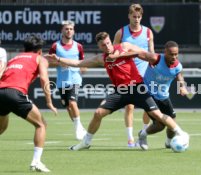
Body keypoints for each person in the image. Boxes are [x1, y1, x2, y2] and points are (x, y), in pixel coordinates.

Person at [44, 32, 189, 151]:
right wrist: (58, 59)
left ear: (110, 41)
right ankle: (86, 142)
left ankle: (181, 134)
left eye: (108, 43)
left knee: (157, 115)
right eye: (103, 45)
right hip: (120, 91)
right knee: (98, 113)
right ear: (99, 46)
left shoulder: (124, 46)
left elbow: (139, 53)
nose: (107, 46)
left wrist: (119, 55)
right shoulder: (101, 59)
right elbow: (77, 63)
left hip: (138, 87)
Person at [0, 34, 58, 172]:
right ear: (39, 50)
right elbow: (44, 79)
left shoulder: (15, 58)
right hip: (15, 93)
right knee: (41, 124)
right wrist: (49, 102)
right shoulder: (40, 58)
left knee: (1, 128)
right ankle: (36, 162)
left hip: (1, 91)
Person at [113, 3, 154, 147]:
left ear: (141, 17)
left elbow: (151, 53)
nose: (136, 19)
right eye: (134, 16)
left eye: (139, 16)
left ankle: (143, 133)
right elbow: (114, 53)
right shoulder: (121, 33)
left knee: (149, 107)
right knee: (129, 106)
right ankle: (130, 139)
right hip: (128, 75)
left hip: (145, 74)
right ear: (129, 16)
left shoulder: (148, 32)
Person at [137, 41, 189, 148]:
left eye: (176, 54)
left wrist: (182, 87)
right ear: (165, 52)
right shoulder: (155, 59)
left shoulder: (177, 66)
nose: (174, 57)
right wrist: (122, 53)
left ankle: (169, 142)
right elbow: (138, 54)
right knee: (160, 125)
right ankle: (142, 135)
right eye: (171, 54)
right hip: (148, 94)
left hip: (163, 97)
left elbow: (179, 76)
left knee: (171, 123)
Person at [49, 20, 86, 140]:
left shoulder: (78, 46)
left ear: (73, 31)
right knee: (68, 107)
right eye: (66, 29)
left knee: (72, 102)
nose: (68, 31)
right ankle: (78, 127)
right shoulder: (55, 46)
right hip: (62, 81)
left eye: (71, 29)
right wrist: (59, 63)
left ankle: (78, 129)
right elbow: (49, 62)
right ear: (62, 31)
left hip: (75, 79)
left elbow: (82, 62)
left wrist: (83, 67)